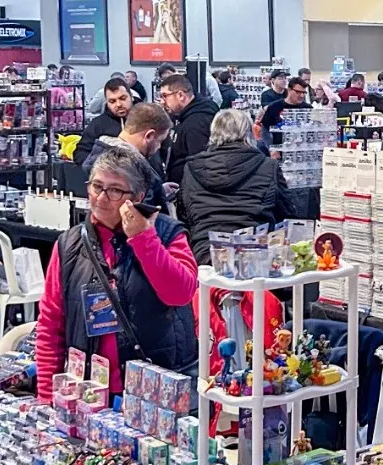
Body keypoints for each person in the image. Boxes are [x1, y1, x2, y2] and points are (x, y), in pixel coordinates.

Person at [35, 147, 198, 400]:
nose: (100, 198)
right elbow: (51, 324)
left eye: (114, 191)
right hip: (90, 392)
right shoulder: (69, 244)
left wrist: (144, 239)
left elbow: (181, 293)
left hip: (155, 392)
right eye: (96, 186)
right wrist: (46, 397)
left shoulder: (167, 234)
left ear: (138, 195)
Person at [177, 109, 294, 266]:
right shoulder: (268, 166)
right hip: (255, 252)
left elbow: (184, 214)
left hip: (206, 253)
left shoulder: (192, 167)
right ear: (248, 133)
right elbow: (286, 211)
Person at [81, 101, 173, 212]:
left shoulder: (97, 158)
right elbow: (143, 218)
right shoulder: (138, 172)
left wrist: (159, 191)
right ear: (149, 136)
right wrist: (155, 190)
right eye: (159, 141)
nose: (158, 147)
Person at [159, 74, 219, 185]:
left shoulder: (196, 124)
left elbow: (199, 165)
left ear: (180, 95)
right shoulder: (182, 116)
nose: (162, 101)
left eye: (165, 96)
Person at [74, 78, 136, 165]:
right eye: (112, 101)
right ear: (107, 103)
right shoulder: (98, 124)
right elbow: (80, 153)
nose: (118, 104)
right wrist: (101, 167)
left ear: (131, 97)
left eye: (123, 98)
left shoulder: (146, 119)